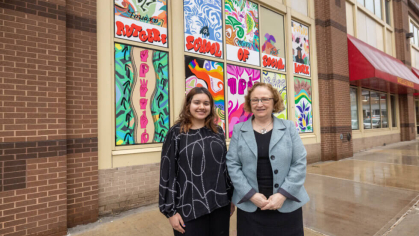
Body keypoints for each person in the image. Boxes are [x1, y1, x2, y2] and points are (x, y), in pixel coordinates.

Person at [226, 82, 309, 236]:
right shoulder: (239, 130)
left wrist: (282, 194)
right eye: (255, 100)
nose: (260, 104)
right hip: (251, 209)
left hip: (286, 206)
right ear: (249, 104)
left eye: (265, 99)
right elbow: (232, 164)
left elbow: (299, 162)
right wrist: (251, 195)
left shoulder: (289, 127)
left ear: (274, 101)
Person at [159, 87, 234, 236]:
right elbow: (167, 174)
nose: (202, 107)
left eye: (206, 103)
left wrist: (230, 198)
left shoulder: (217, 132)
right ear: (188, 105)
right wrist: (170, 212)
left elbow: (224, 169)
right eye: (197, 102)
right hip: (189, 208)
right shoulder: (176, 133)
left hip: (219, 205)